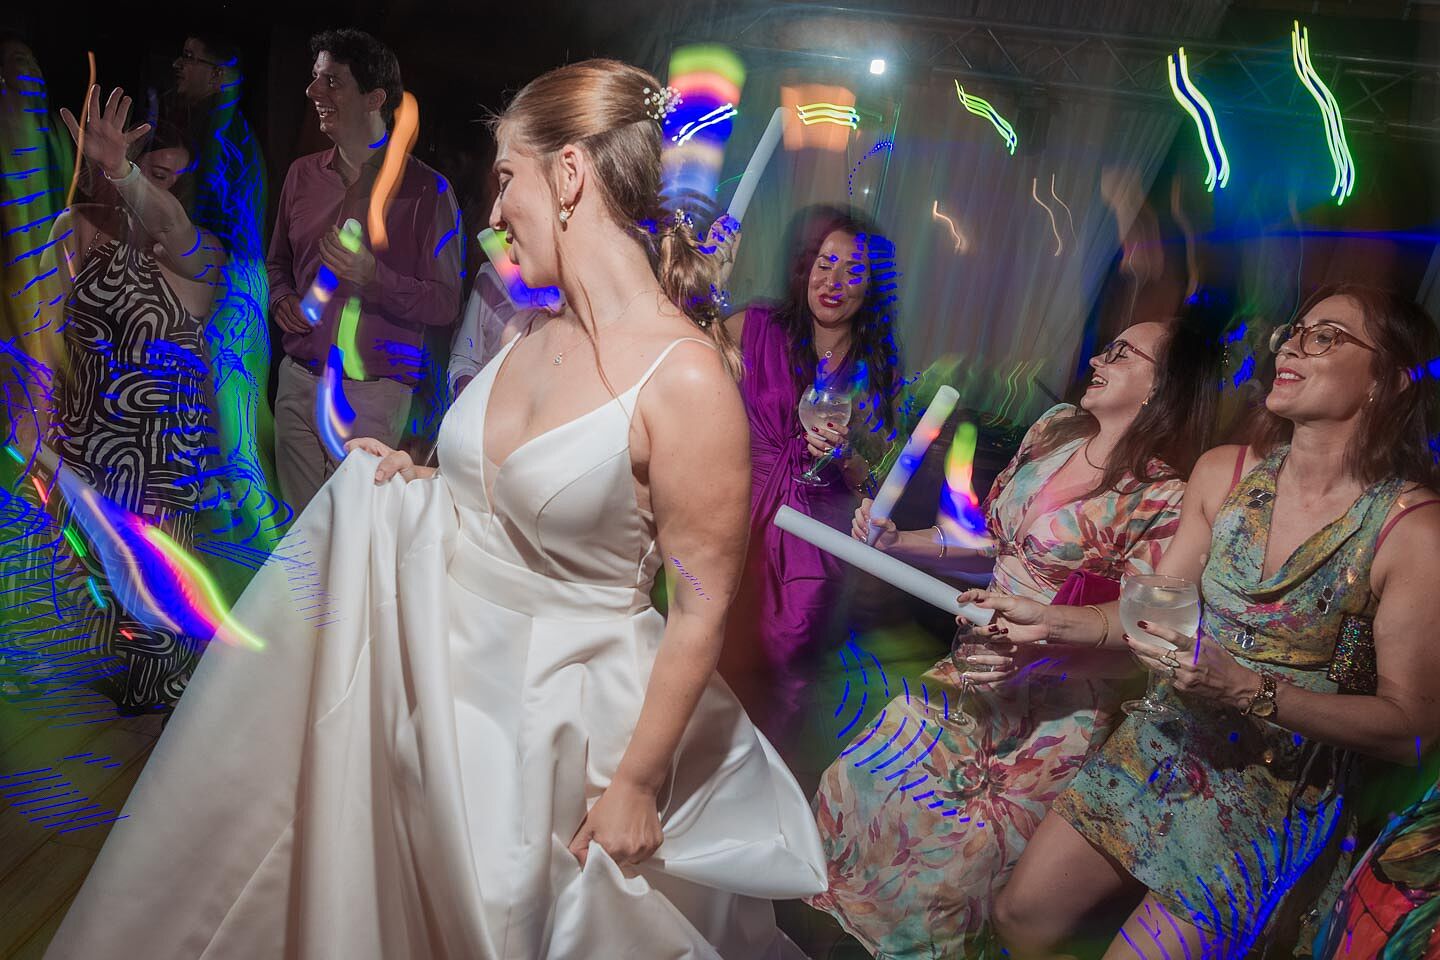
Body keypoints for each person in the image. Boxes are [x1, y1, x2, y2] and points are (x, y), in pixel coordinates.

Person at [44, 59, 825, 959]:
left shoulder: (685, 379)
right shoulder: (536, 334)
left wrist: (639, 783)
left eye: (506, 181)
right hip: (443, 696)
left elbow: (701, 608)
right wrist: (421, 485)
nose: (493, 215)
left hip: (561, 744)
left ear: (569, 175)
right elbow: (500, 495)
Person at [988, 285, 1440, 959]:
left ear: (1390, 380)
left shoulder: (1413, 532)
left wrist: (1250, 691)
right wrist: (1053, 624)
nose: (1292, 343)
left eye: (1327, 337)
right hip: (1163, 741)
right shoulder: (1223, 473)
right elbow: (1152, 614)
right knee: (1021, 915)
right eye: (1295, 330)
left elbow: (1410, 730)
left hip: (1270, 792)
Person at [806, 308, 1223, 959]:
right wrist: (904, 541)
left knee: (950, 870)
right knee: (856, 787)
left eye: (1121, 354)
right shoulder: (1057, 431)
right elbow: (992, 544)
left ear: (1162, 386)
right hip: (972, 674)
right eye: (1104, 347)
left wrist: (1043, 644)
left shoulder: (1166, 500)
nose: (1097, 360)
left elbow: (1145, 637)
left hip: (1051, 718)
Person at [34, 87, 223, 712]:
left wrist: (125, 172)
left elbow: (168, 221)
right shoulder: (77, 229)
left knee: (158, 608)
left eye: (167, 176)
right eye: (149, 167)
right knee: (97, 602)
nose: (155, 187)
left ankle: (162, 745)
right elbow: (47, 335)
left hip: (162, 453)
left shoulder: (195, 254)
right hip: (87, 440)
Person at [720, 204, 904, 741]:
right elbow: (684, 370)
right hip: (732, 516)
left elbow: (876, 484)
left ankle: (758, 795)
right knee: (706, 655)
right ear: (806, 267)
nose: (834, 281)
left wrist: (845, 454)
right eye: (826, 262)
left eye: (854, 271)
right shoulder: (753, 326)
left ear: (870, 288)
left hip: (811, 548)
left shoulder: (878, 374)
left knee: (779, 687)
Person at [266, 28, 461, 513]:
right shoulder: (302, 175)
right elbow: (277, 263)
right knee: (297, 541)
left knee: (348, 534)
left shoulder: (427, 191)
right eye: (314, 79)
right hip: (297, 381)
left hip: (372, 396)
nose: (313, 93)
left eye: (331, 82)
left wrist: (374, 277)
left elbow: (445, 302)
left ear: (374, 98)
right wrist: (281, 297)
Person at [170, 28, 289, 592]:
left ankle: (288, 591)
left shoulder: (224, 134)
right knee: (233, 445)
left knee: (239, 448)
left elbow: (225, 236)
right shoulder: (216, 130)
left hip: (230, 295)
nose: (179, 67)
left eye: (191, 59)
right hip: (229, 292)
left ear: (219, 74)